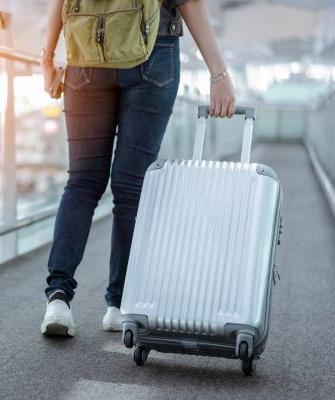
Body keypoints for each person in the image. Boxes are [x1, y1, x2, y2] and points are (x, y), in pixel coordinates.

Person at [41, 0, 236, 337]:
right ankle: (119, 304)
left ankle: (58, 299)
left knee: (83, 182)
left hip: (86, 51)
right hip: (152, 51)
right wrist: (219, 73)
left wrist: (46, 58)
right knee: (131, 189)